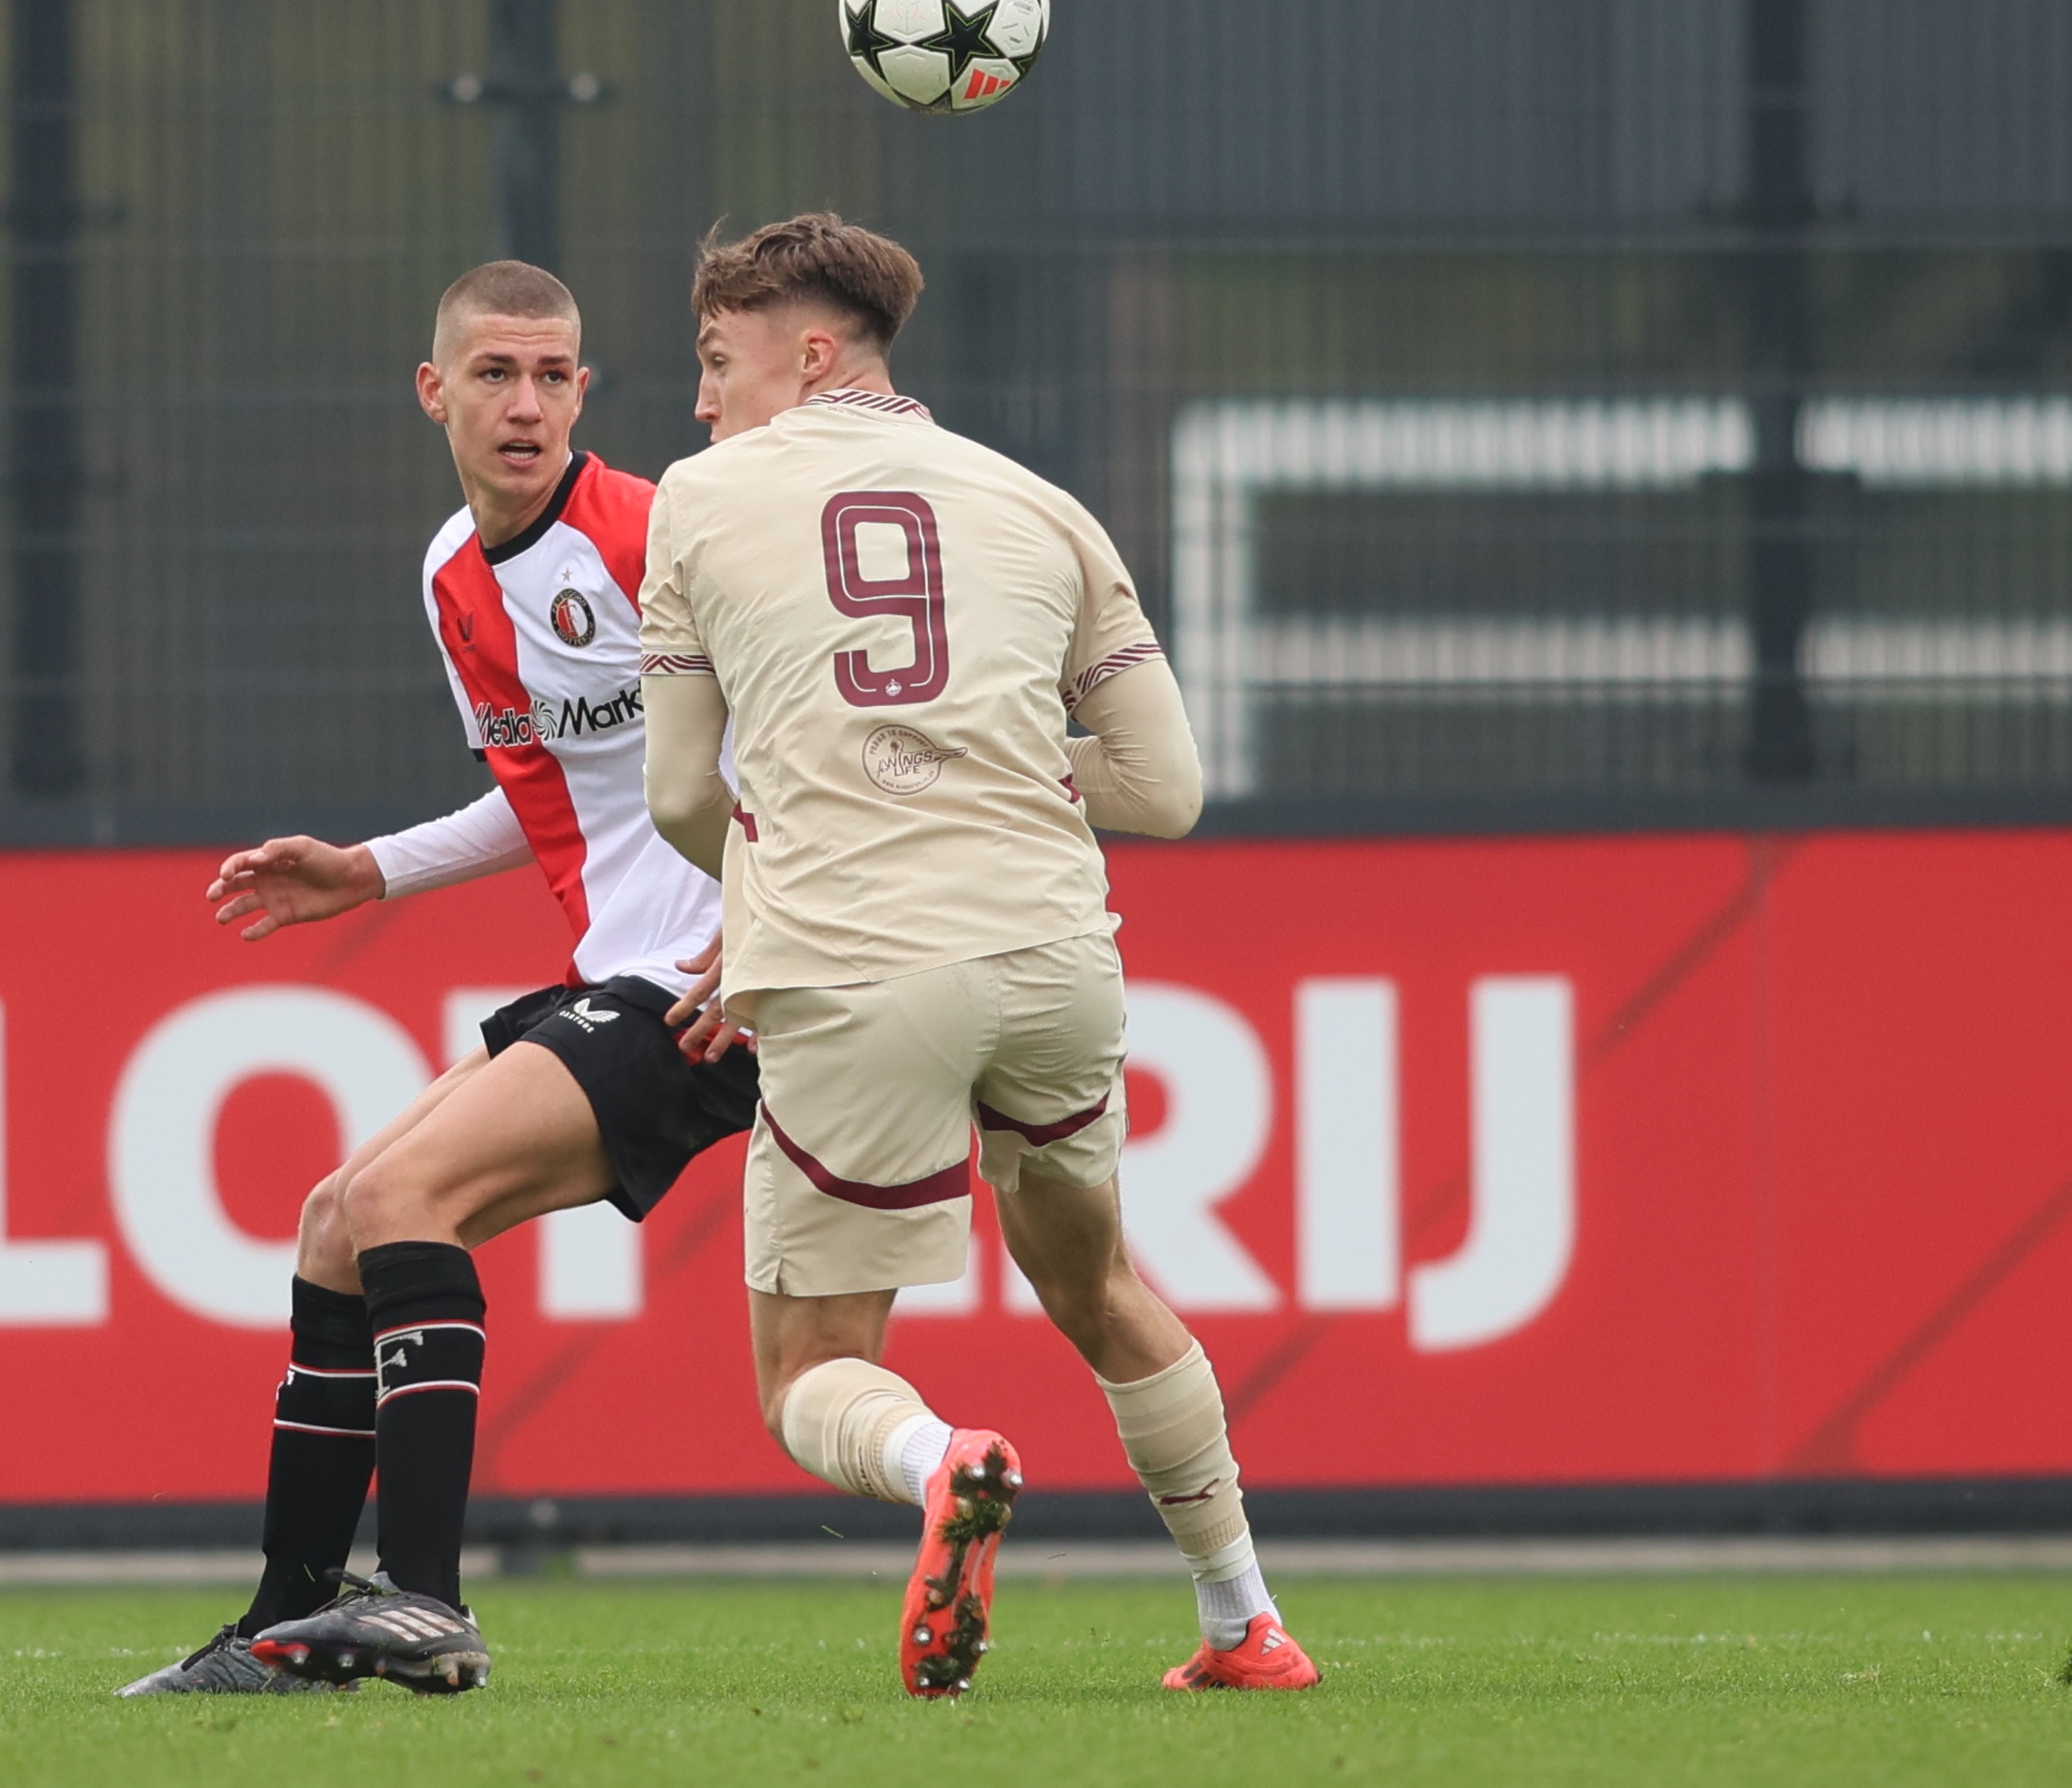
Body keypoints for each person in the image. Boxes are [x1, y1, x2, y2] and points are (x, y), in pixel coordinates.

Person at [639, 213, 1317, 1699]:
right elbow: (1166, 790)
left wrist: (771, 895)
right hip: (1054, 957)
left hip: (855, 960)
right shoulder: (1046, 505)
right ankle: (1242, 1620)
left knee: (809, 1364)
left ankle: (946, 1457)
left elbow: (682, 794)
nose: (699, 399)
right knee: (1099, 1277)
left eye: (715, 359)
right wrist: (992, 757)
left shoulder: (694, 500)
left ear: (810, 353)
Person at [118, 260, 756, 1699]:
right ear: (436, 391)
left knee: (404, 1201)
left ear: (586, 391)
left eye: (552, 376)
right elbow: (551, 798)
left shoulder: (659, 537)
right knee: (337, 1217)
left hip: (718, 987)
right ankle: (289, 1627)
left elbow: (795, 748)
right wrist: (369, 867)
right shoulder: (451, 576)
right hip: (616, 971)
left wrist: (771, 934)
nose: (524, 404)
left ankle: (426, 1603)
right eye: (493, 374)